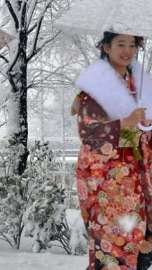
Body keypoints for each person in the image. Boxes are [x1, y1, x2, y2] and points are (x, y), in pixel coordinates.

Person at [72, 31, 152, 270]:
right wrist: (123, 123)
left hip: (134, 177)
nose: (127, 50)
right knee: (111, 242)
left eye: (132, 44)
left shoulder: (140, 86)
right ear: (106, 47)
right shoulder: (94, 88)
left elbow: (138, 137)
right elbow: (88, 133)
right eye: (120, 44)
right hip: (106, 180)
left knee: (134, 241)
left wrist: (144, 130)